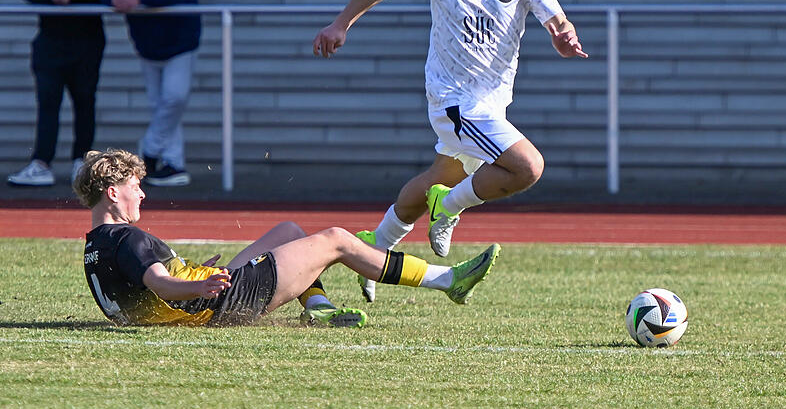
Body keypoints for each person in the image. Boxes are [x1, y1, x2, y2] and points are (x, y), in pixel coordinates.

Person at [312, 0, 586, 302]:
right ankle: (450, 205)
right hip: (452, 99)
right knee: (528, 167)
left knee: (433, 181)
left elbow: (557, 20)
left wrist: (564, 37)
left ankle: (374, 248)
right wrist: (341, 24)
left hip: (492, 104)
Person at [74, 148, 500, 327]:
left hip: (208, 293)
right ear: (113, 192)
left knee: (290, 232)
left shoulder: (97, 242)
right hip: (219, 300)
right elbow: (160, 284)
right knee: (335, 238)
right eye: (135, 186)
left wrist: (196, 279)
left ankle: (318, 308)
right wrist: (198, 286)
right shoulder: (130, 237)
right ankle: (447, 280)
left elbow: (136, 295)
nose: (142, 192)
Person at [8, 0, 105, 187]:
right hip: (50, 39)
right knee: (48, 102)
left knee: (84, 101)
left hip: (86, 39)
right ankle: (41, 162)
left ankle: (81, 161)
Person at [100, 0, 200, 186]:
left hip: (180, 44)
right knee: (161, 107)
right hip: (146, 47)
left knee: (174, 99)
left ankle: (148, 151)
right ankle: (173, 165)